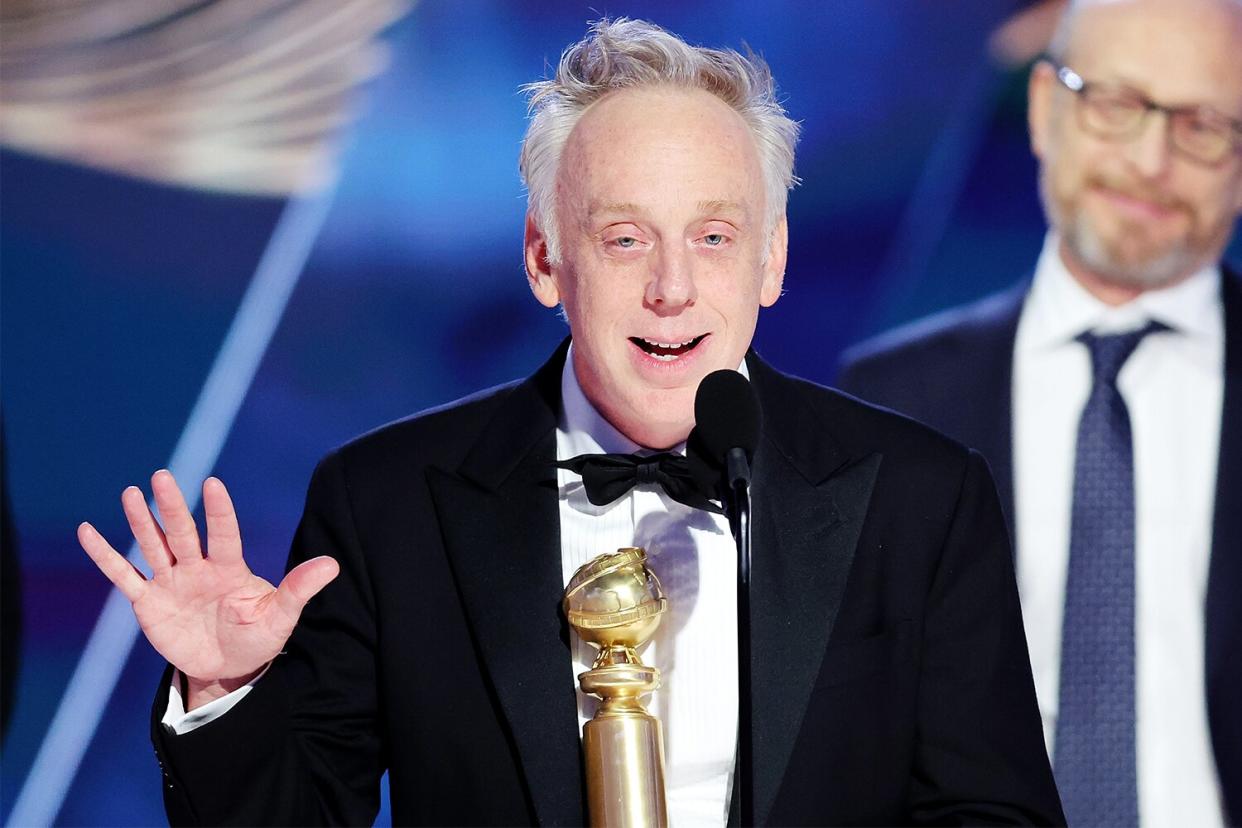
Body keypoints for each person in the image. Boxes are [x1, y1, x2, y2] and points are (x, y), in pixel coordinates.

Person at [79, 18, 1064, 826]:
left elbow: (995, 815)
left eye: (713, 238)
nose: (672, 288)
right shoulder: (386, 502)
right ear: (546, 260)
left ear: (771, 260)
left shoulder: (922, 495)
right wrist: (228, 697)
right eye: (625, 238)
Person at [838, 1, 1242, 825]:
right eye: (1116, 105)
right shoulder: (886, 402)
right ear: (1042, 108)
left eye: (1202, 125)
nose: (1151, 161)